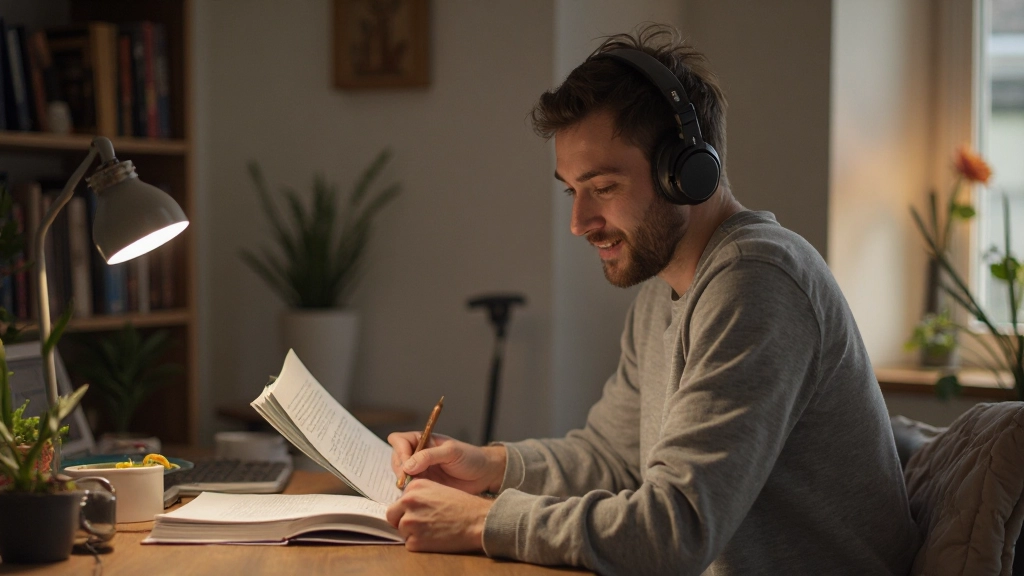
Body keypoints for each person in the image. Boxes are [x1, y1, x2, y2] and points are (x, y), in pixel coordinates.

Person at [385, 24, 920, 575]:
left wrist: (479, 522)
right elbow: (613, 458)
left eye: (605, 188)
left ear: (686, 173)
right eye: (573, 191)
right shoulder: (666, 285)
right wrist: (489, 465)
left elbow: (675, 530)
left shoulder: (757, 281)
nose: (579, 223)